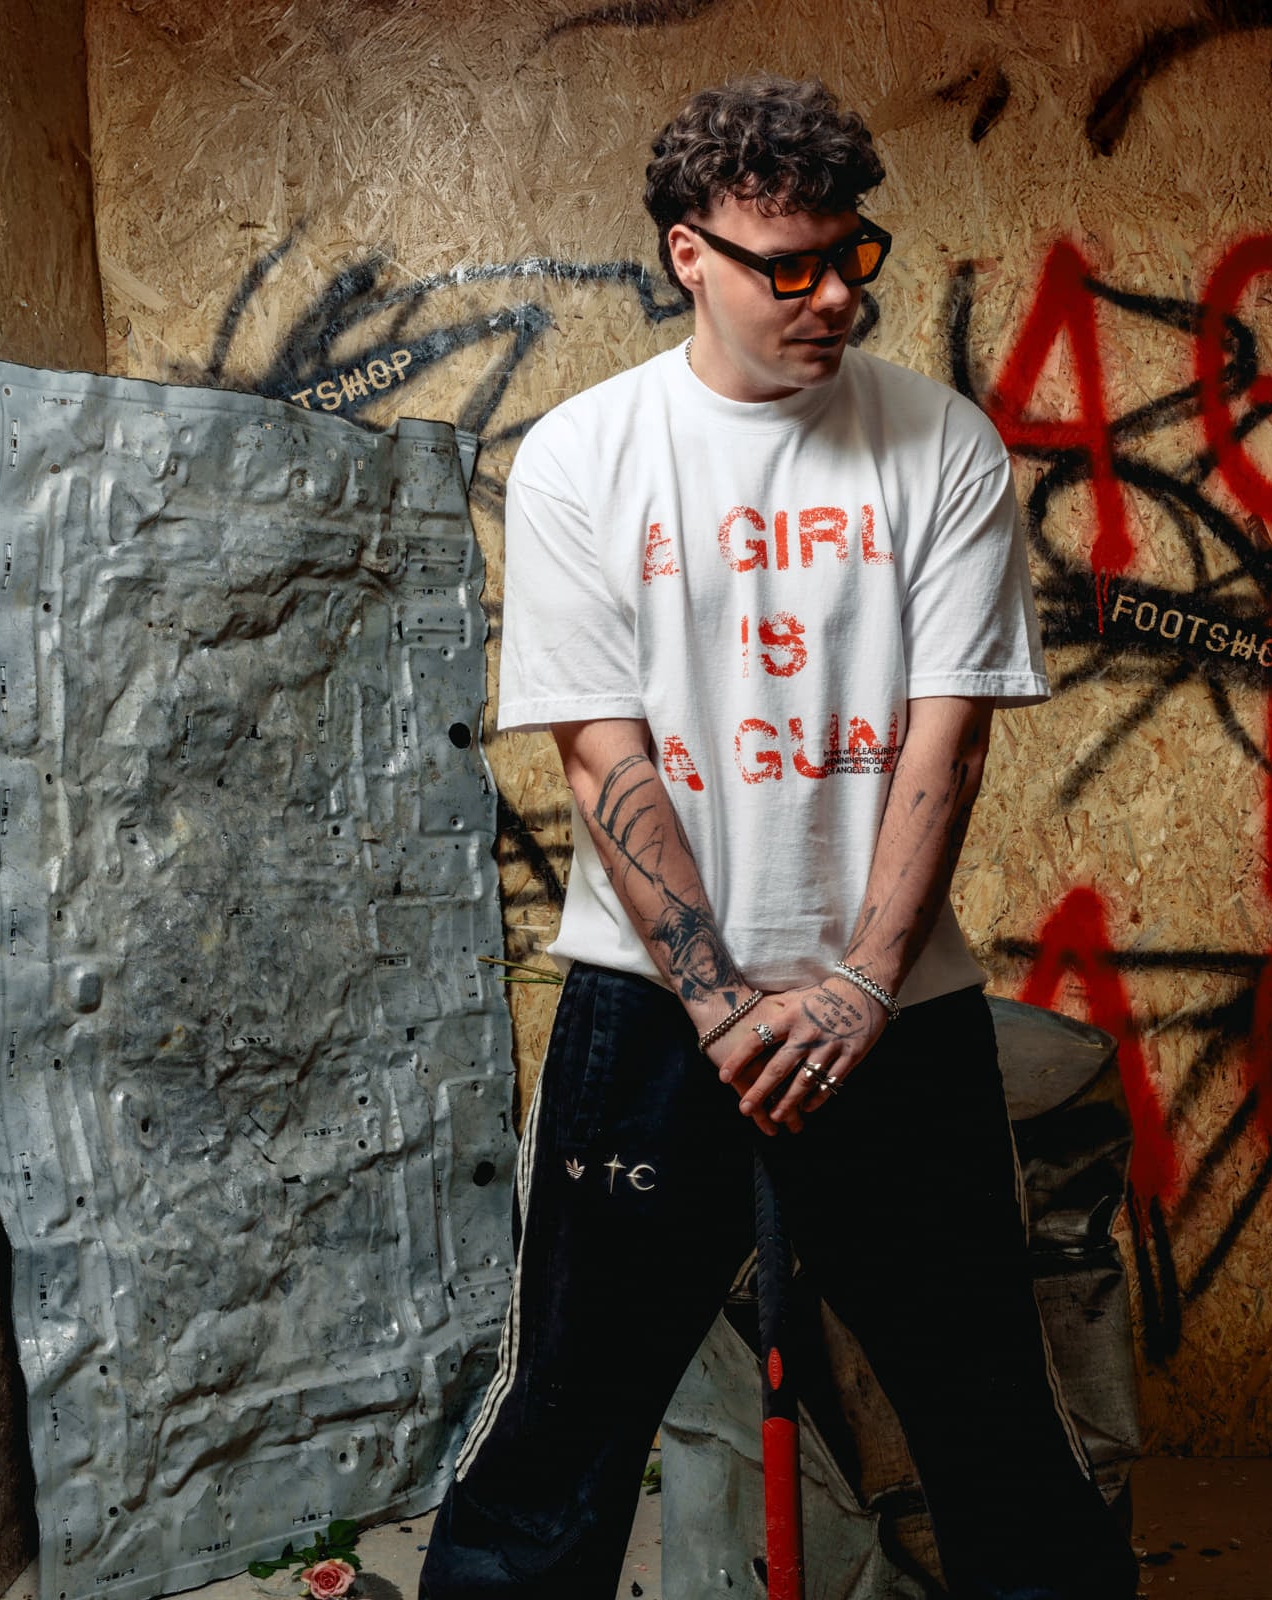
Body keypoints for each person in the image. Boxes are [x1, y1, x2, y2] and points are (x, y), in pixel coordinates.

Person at [419, 74, 1140, 1600]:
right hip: (654, 1014)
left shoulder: (938, 443)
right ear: (690, 255)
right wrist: (721, 1002)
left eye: (850, 256)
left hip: (896, 1009)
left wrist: (863, 982)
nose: (834, 298)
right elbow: (600, 752)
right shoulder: (586, 456)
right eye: (789, 268)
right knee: (557, 1441)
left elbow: (947, 741)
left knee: (997, 1431)